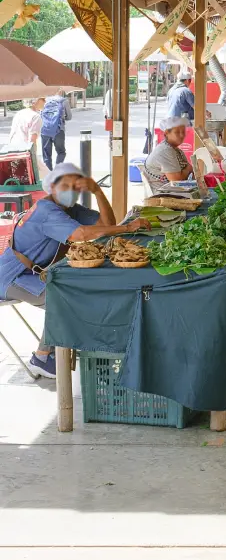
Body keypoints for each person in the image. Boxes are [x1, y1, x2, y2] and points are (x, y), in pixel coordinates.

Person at [0, 163, 150, 378]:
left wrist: (97, 191)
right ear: (51, 187)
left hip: (32, 274)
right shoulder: (46, 210)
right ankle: (42, 357)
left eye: (76, 186)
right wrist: (127, 228)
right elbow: (79, 235)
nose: (71, 191)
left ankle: (67, 344)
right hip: (12, 276)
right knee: (64, 298)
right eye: (66, 185)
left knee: (74, 294)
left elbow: (108, 223)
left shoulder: (70, 209)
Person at [144, 117, 192, 192]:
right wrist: (188, 168)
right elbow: (177, 182)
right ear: (166, 133)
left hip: (174, 190)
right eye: (177, 132)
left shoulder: (175, 149)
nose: (182, 135)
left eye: (183, 132)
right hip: (164, 194)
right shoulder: (166, 151)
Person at [40, 89, 72, 170]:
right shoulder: (64, 101)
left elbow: (40, 114)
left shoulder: (45, 100)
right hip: (58, 130)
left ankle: (48, 175)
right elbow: (69, 117)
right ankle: (57, 171)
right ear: (61, 91)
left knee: (46, 155)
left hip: (45, 130)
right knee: (61, 152)